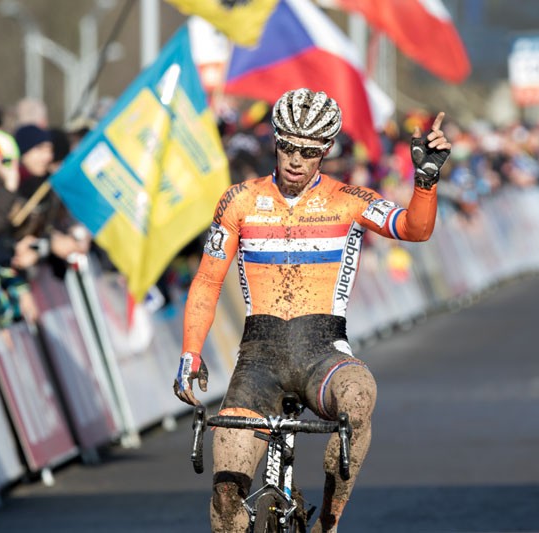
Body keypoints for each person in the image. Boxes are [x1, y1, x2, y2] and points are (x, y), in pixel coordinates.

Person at [173, 88, 451, 532]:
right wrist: (190, 353)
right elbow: (206, 281)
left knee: (359, 397)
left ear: (325, 150)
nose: (295, 160)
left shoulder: (349, 199)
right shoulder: (238, 200)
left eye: (308, 151)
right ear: (274, 142)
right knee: (226, 503)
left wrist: (426, 181)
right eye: (286, 146)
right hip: (258, 362)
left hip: (322, 353)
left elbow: (414, 229)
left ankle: (329, 522)